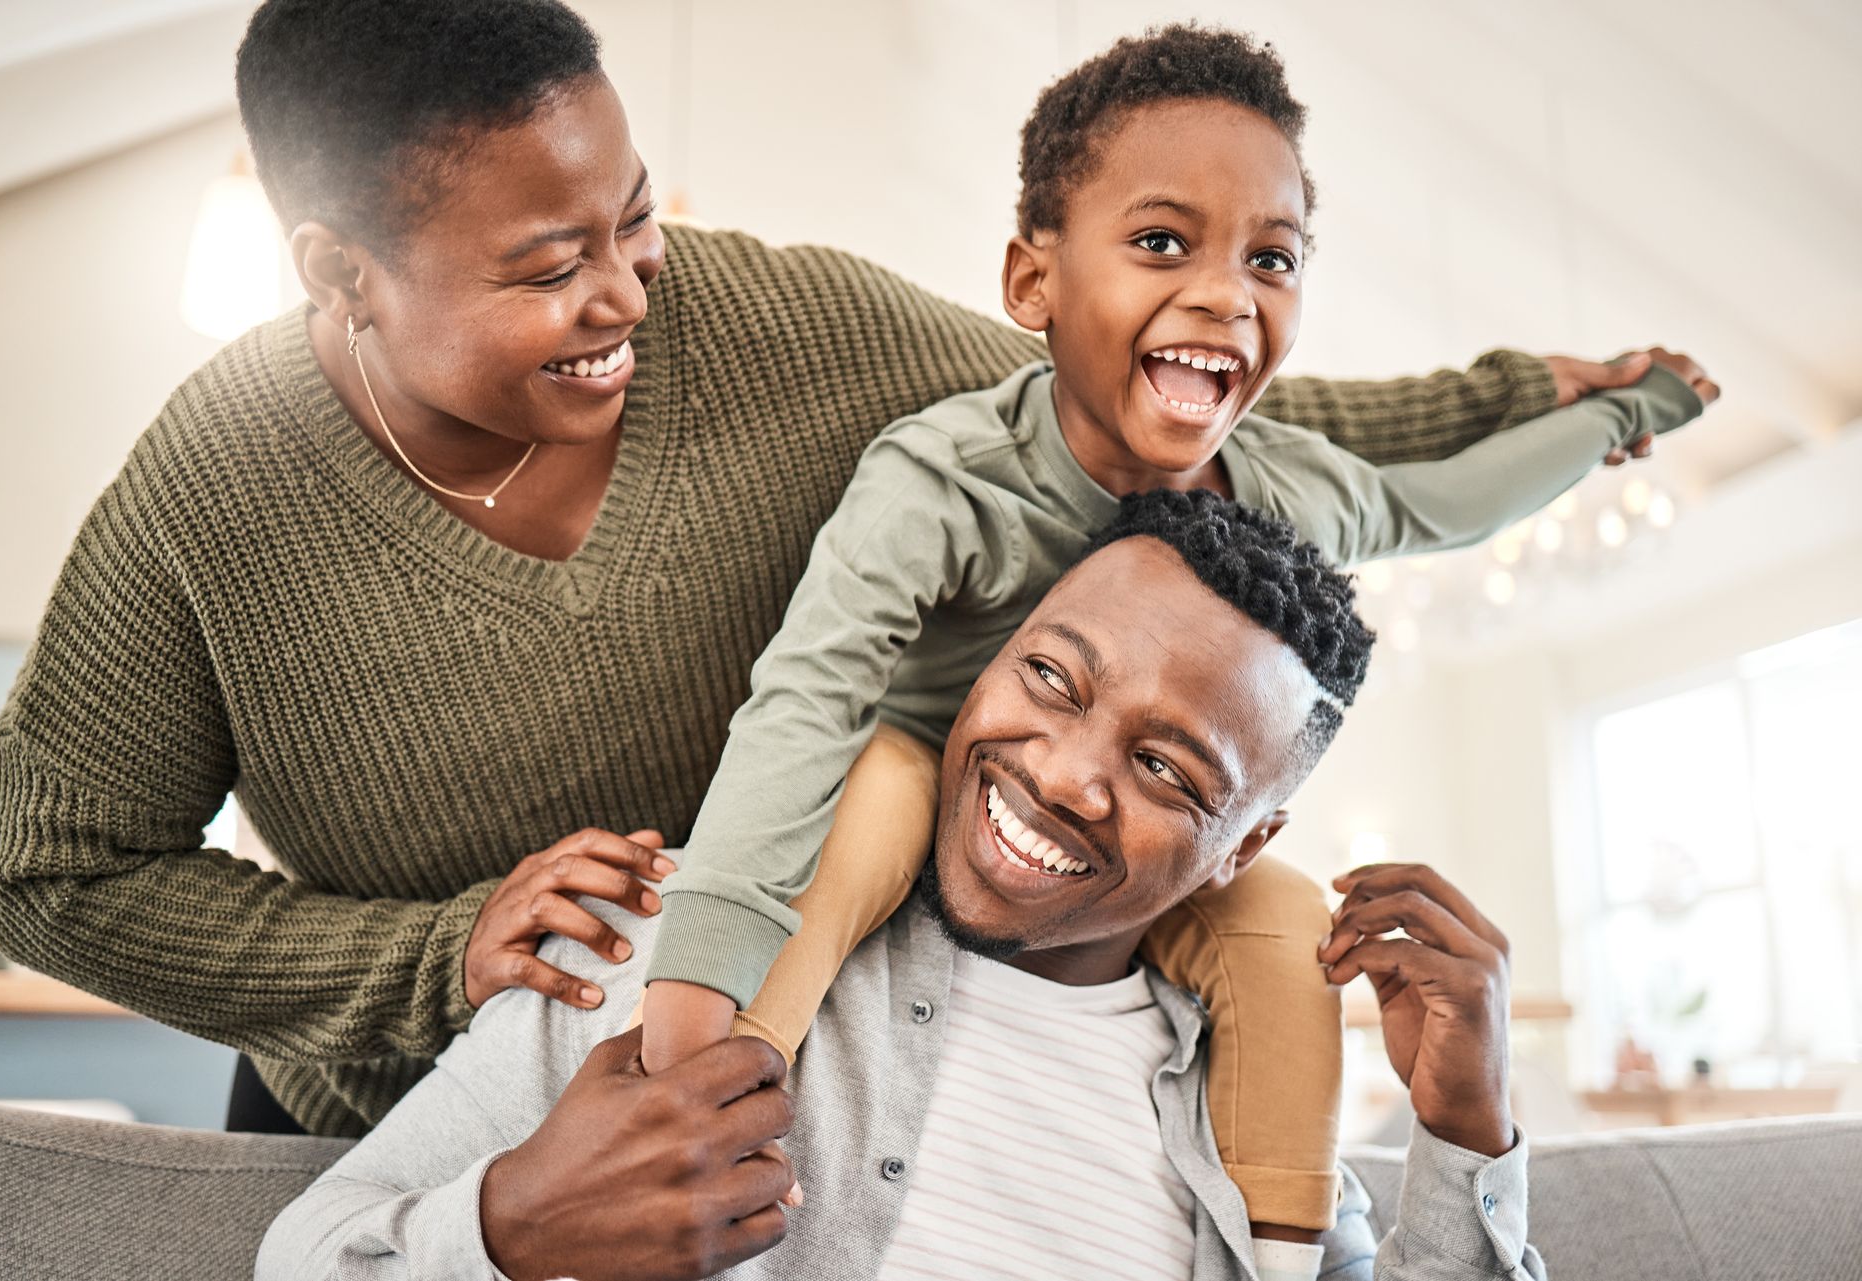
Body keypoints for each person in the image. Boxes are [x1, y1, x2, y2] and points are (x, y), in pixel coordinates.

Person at [0, 0, 1652, 1142]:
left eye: (631, 220)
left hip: (759, 1115)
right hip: (388, 1133)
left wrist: (1524, 399)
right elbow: (57, 870)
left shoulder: (781, 328)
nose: (629, 291)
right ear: (338, 274)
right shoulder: (215, 489)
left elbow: (1132, 396)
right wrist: (430, 957)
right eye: (550, 266)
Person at [635, 21, 1716, 1248]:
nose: (1224, 294)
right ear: (1034, 283)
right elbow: (806, 698)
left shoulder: (1285, 487)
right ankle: (703, 1096)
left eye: (1274, 259)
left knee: (1283, 922)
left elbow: (1444, 501)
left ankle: (1281, 1248)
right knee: (878, 779)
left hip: (1109, 859)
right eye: (1162, 243)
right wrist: (690, 984)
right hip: (938, 784)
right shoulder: (945, 479)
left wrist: (1626, 413)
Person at [258, 492, 1545, 1281]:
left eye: (1165, 767)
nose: (1067, 775)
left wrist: (1469, 1126)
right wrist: (510, 1228)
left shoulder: (1250, 1111)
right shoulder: (693, 956)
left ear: (1244, 852)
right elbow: (302, 1260)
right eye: (1052, 678)